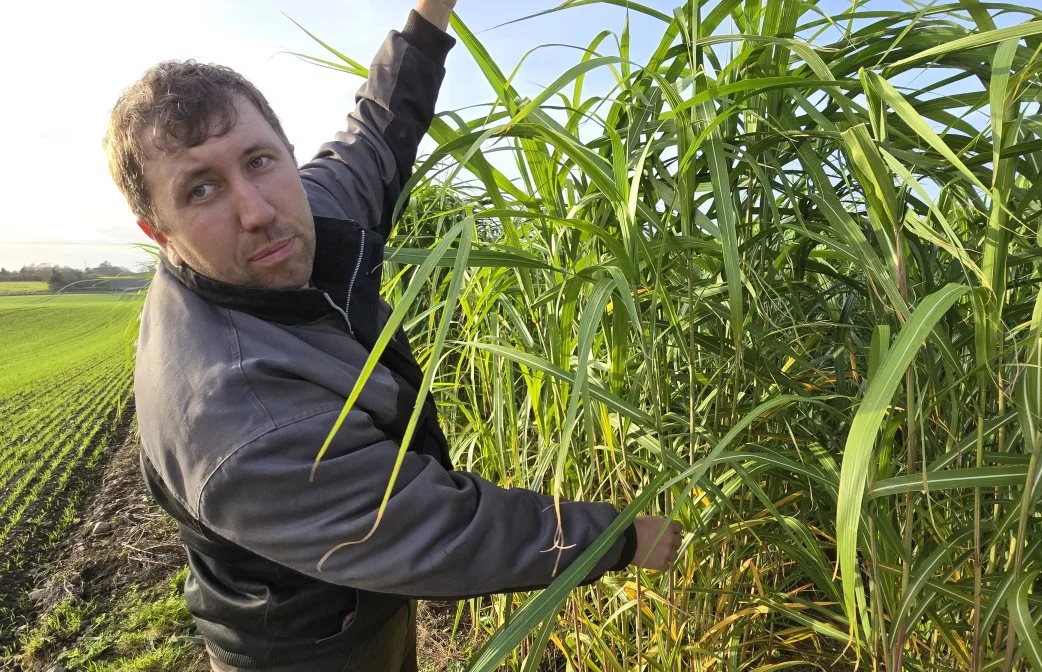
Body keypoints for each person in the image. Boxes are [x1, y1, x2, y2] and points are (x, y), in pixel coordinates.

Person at [102, 1, 683, 670]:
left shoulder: (298, 220)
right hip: (303, 646)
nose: (258, 212)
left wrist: (429, 14)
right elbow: (434, 531)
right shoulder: (240, 421)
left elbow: (375, 134)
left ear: (286, 154)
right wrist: (616, 538)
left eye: (259, 160)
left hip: (354, 592)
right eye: (201, 190)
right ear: (159, 233)